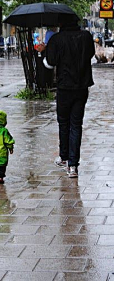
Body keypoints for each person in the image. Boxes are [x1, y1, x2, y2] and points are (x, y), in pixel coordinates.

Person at [42, 18, 95, 178]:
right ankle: (73, 165)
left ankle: (64, 157)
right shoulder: (86, 37)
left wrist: (46, 51)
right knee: (76, 125)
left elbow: (49, 63)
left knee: (63, 123)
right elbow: (90, 55)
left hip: (64, 87)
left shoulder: (56, 39)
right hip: (82, 86)